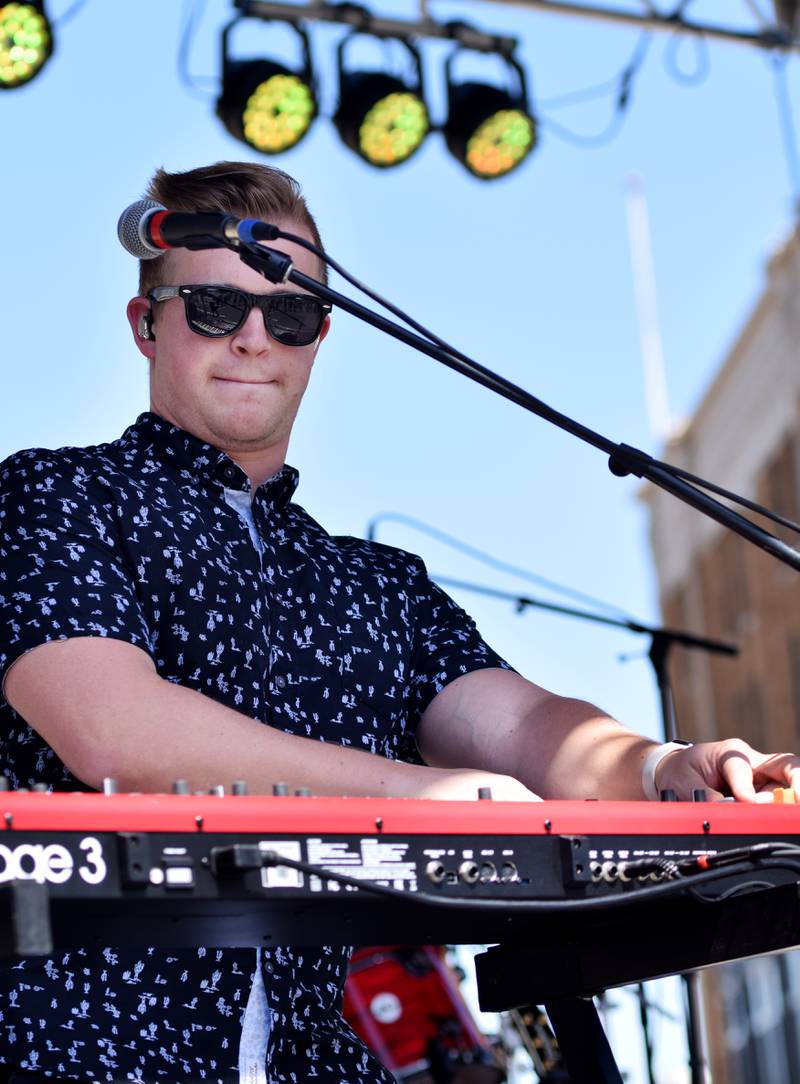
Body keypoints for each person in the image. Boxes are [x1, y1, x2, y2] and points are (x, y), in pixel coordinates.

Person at [0, 161, 796, 1084]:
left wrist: (665, 768)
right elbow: (118, 735)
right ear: (146, 326)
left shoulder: (377, 585)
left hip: (314, 1062)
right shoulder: (53, 499)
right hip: (73, 1051)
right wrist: (415, 797)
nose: (255, 339)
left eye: (288, 315)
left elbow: (530, 729)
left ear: (321, 337)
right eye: (215, 310)